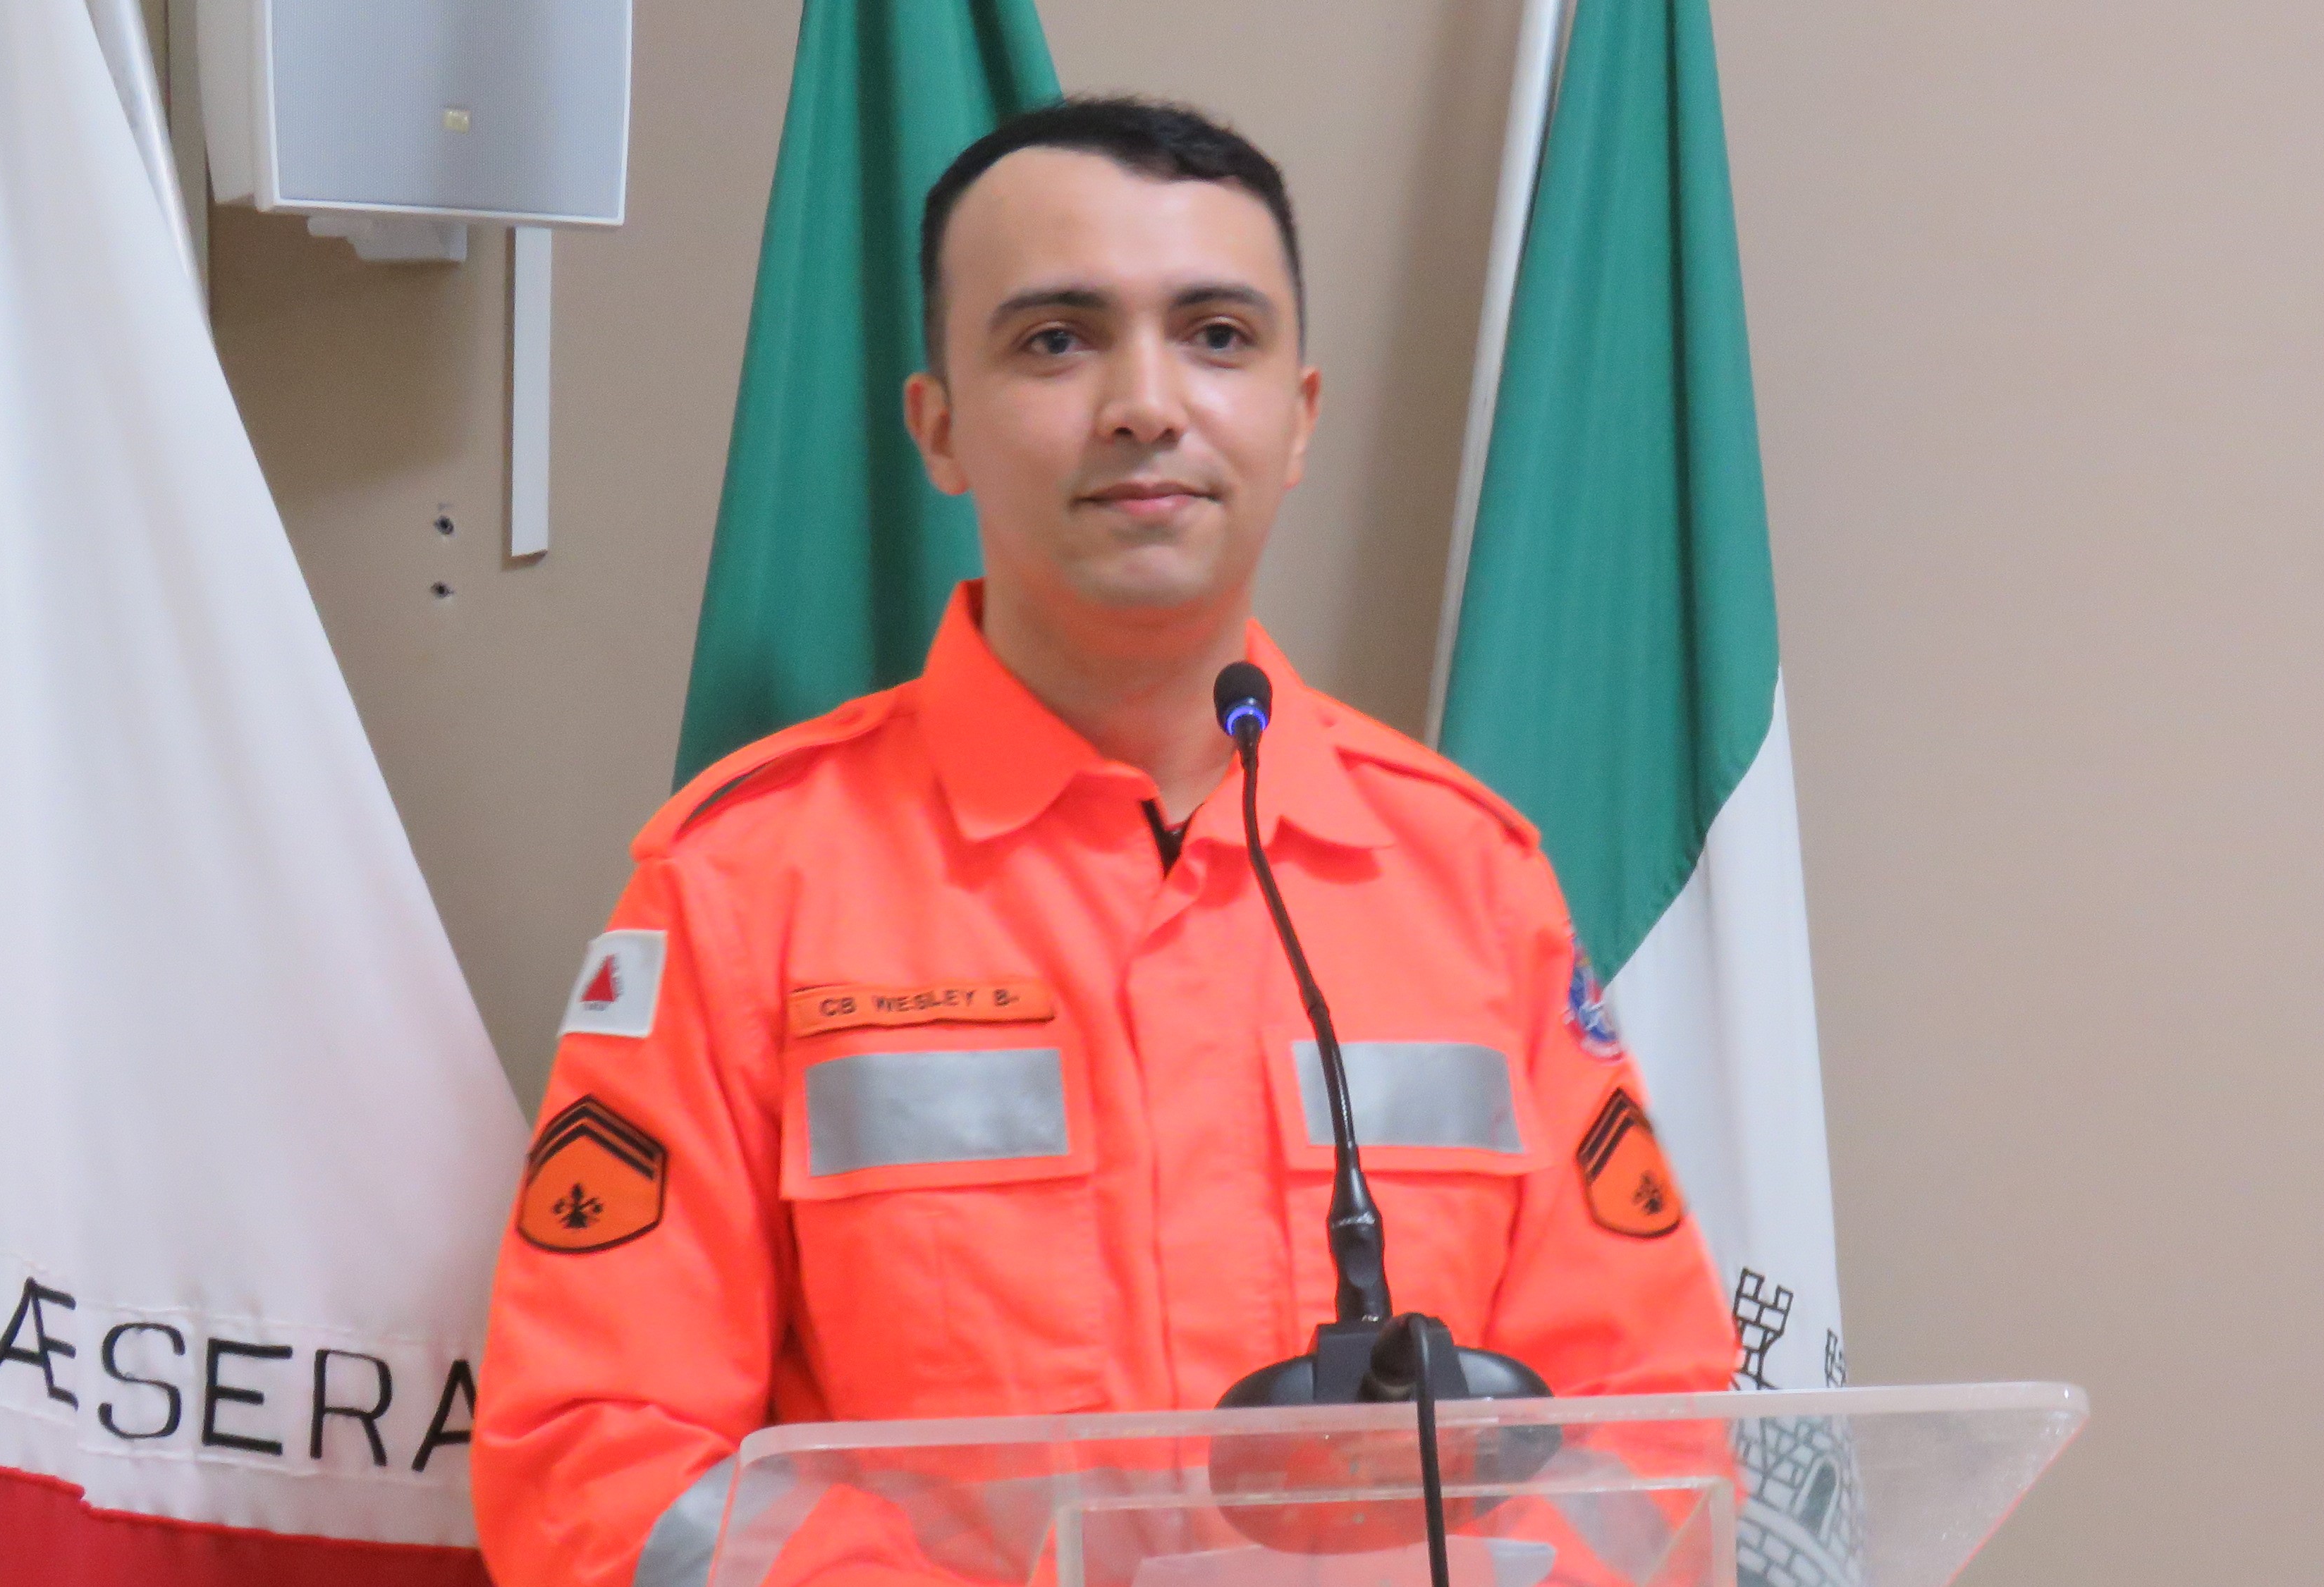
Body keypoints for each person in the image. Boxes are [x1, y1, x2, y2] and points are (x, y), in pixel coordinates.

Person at [474, 97, 1736, 1587]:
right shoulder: (746, 883)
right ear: (938, 427)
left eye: (1216, 334)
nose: (1145, 403)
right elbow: (595, 1455)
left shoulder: (1467, 877)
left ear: (1298, 416)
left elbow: (1653, 1417)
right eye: (1057, 340)